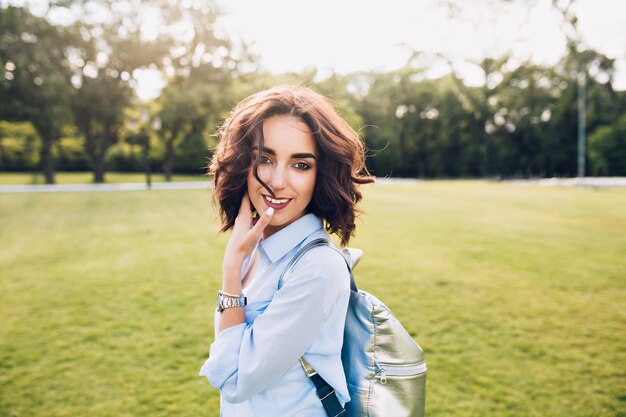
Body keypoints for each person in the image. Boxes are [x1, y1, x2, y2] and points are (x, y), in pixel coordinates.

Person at [199, 86, 374, 416]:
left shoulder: (317, 268)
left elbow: (234, 379)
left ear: (321, 174)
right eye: (265, 159)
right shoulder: (258, 246)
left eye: (301, 165)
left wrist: (230, 270)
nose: (278, 181)